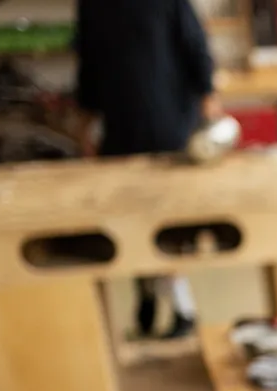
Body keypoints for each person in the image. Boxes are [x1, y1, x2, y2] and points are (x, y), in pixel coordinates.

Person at [73, 0, 222, 339]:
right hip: (122, 125)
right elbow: (89, 62)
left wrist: (209, 98)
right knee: (130, 218)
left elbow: (195, 44)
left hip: (169, 121)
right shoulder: (92, 5)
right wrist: (86, 122)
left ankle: (182, 308)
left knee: (169, 221)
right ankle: (147, 298)